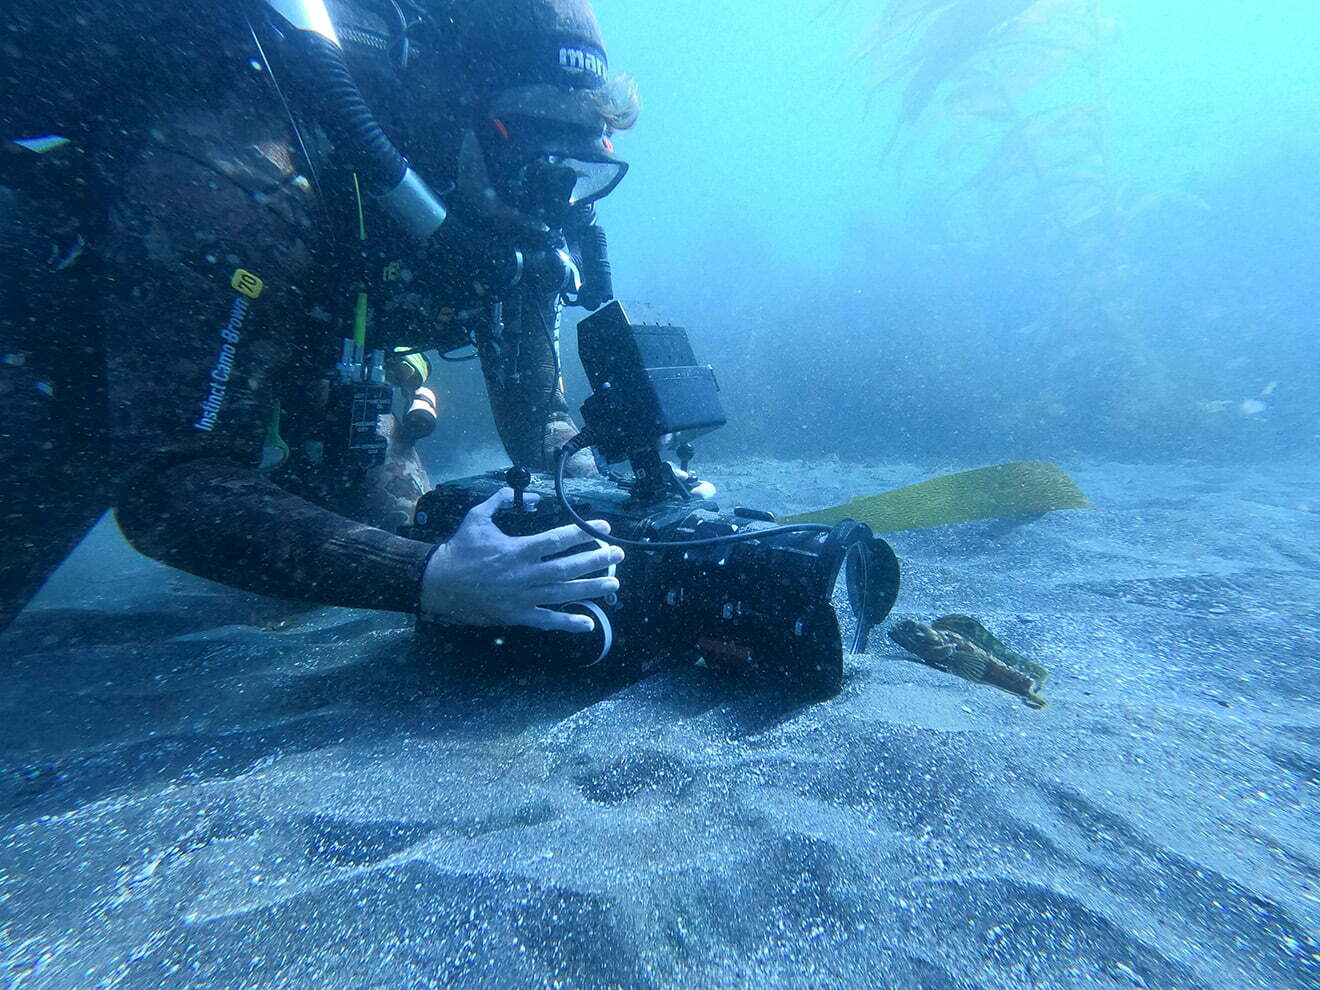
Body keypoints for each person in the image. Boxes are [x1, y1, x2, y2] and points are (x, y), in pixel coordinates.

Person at [0, 0, 638, 635]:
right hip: (73, 355)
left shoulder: (521, 215)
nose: (555, 196)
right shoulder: (250, 176)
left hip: (305, 365)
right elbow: (167, 485)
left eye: (582, 167)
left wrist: (619, 512)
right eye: (533, 157)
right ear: (446, 113)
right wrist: (430, 578)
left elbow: (539, 413)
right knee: (59, 442)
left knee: (403, 520)